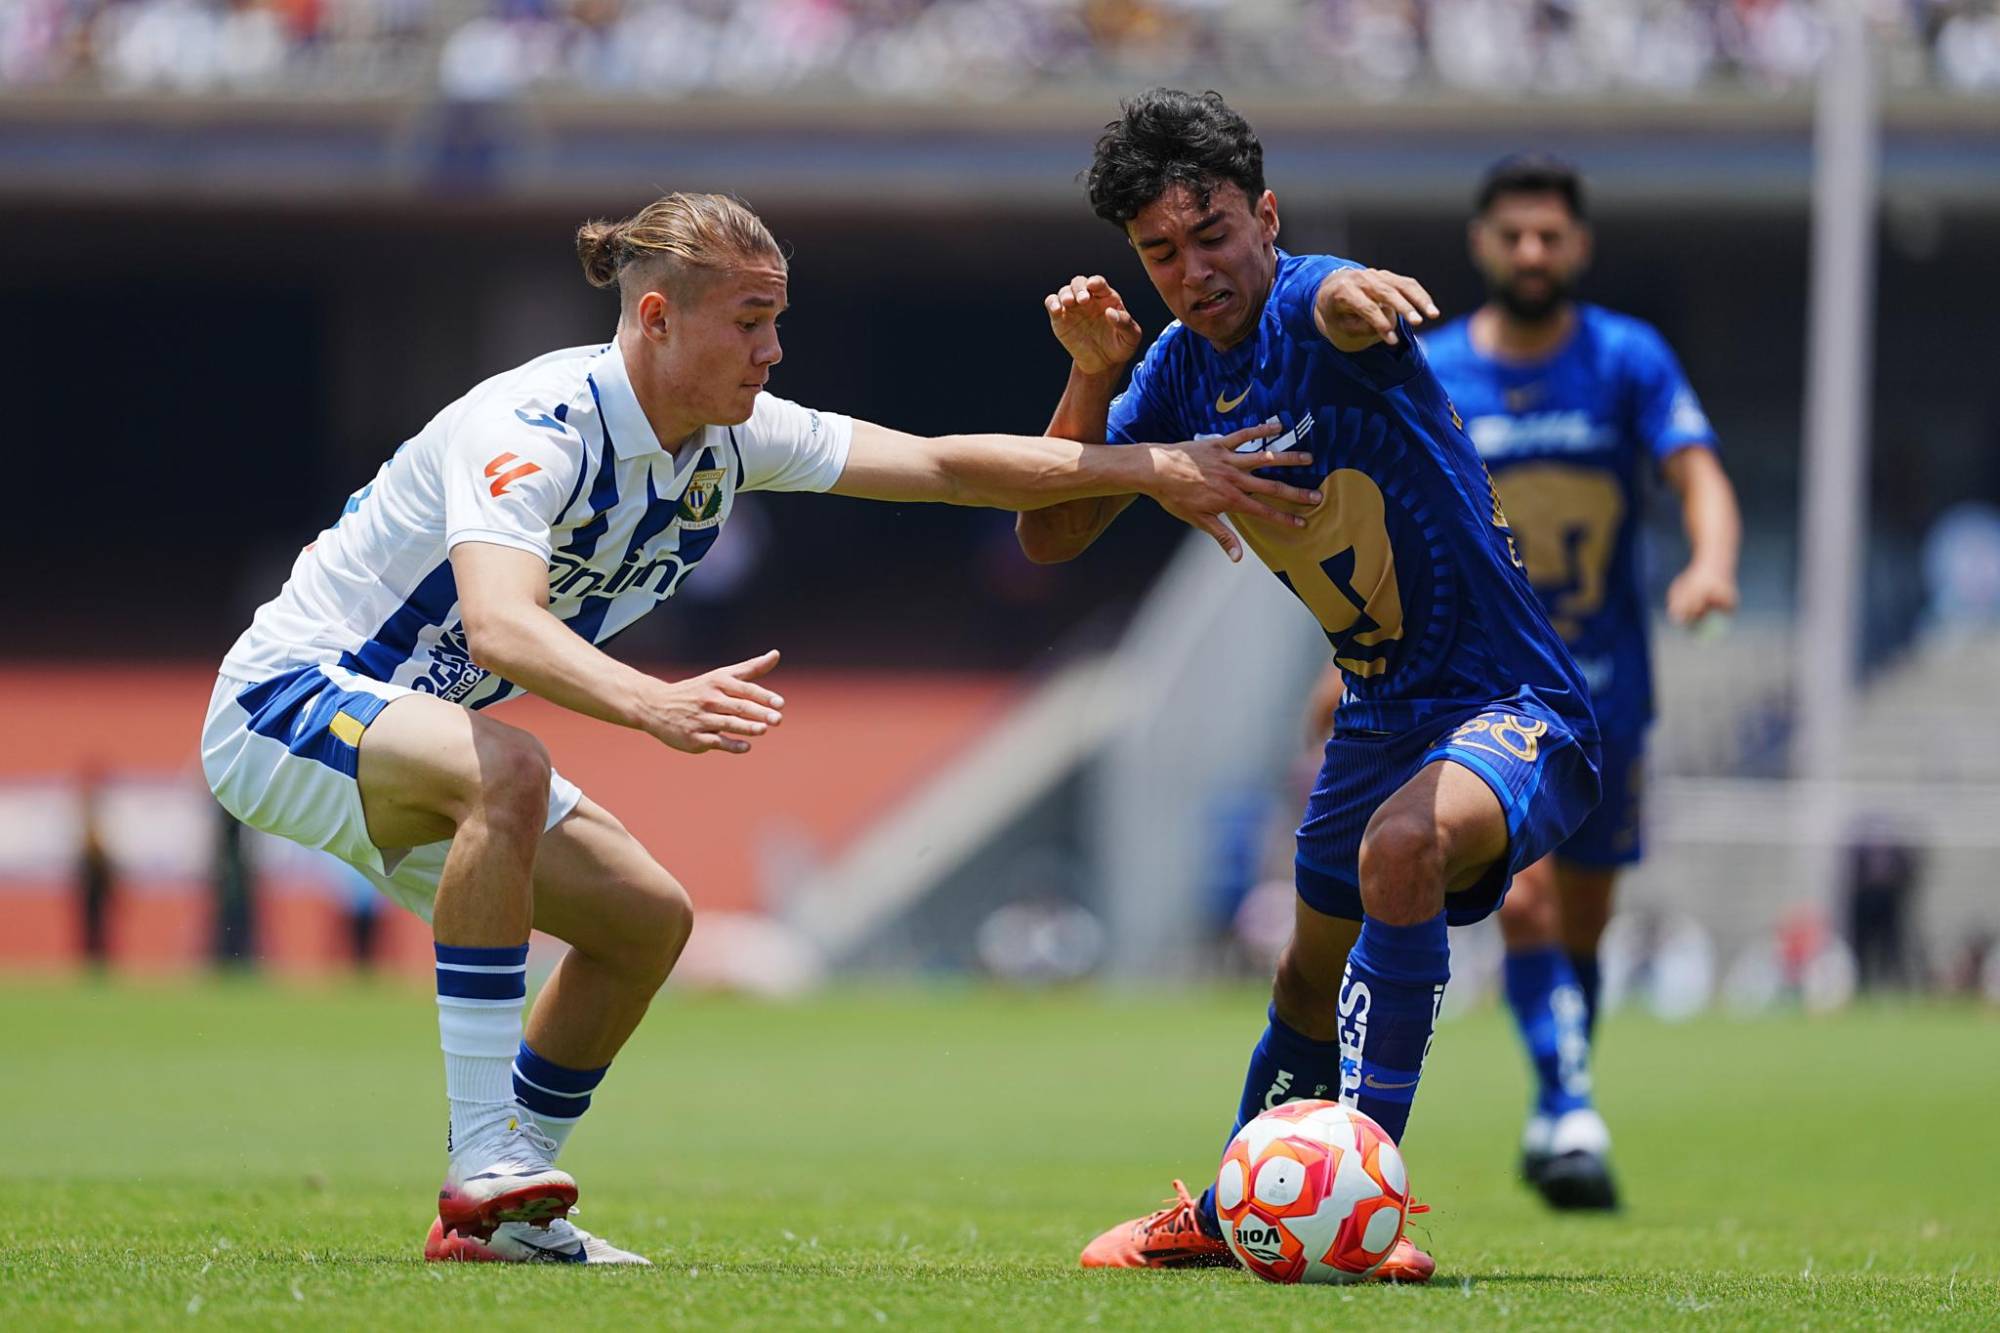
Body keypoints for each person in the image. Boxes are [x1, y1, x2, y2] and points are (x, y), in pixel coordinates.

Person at [199, 191, 1316, 1266]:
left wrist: (1151, 467)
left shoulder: (729, 438)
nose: (773, 348)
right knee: (511, 766)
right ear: (655, 317)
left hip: (420, 733)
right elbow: (497, 626)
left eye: (775, 319)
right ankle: (482, 1154)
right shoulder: (531, 427)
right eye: (749, 320)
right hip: (285, 698)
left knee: (644, 921)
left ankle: (500, 1210)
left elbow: (937, 466)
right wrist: (652, 701)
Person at [1014, 90, 1602, 1281]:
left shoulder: (1309, 298)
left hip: (1513, 703)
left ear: (1265, 217)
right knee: (1301, 967)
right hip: (1380, 712)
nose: (1192, 270)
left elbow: (1335, 300)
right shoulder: (1175, 370)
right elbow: (1050, 533)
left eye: (1213, 233)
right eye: (1159, 252)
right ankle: (1243, 1206)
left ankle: (1357, 1197)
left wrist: (1344, 292)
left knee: (1400, 853)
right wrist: (1090, 378)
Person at [1422, 154, 1741, 1208]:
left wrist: (1708, 563)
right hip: (1484, 690)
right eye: (1511, 233)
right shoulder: (1429, 371)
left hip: (1605, 694)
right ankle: (1568, 1110)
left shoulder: (1624, 358)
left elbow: (1696, 472)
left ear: (1577, 247)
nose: (1529, 251)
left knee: (1583, 926)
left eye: (1548, 236)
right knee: (1524, 900)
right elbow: (1385, 521)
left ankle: (1560, 1090)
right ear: (1480, 243)